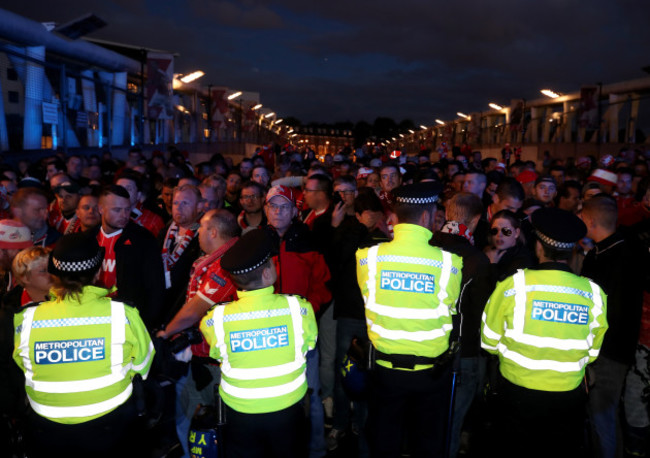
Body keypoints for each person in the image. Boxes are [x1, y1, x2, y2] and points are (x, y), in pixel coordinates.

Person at [13, 231, 154, 457]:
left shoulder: (26, 318)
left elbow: (23, 365)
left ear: (54, 274)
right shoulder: (122, 313)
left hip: (47, 431)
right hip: (109, 427)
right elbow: (143, 366)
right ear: (98, 271)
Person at [481, 207, 608, 458]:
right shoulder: (594, 294)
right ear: (571, 250)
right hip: (567, 399)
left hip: (517, 394)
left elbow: (488, 341)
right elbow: (592, 353)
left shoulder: (512, 286)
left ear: (539, 247)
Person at [356, 181, 463, 457]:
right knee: (427, 445)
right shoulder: (450, 263)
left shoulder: (368, 257)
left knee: (383, 443)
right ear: (427, 217)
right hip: (431, 375)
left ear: (394, 217)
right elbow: (450, 306)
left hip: (384, 372)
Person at [200, 228, 317, 458]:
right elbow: (309, 344)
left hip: (240, 414)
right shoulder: (299, 309)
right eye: (272, 264)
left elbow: (216, 353)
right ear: (266, 275)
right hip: (287, 411)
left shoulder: (215, 318)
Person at [157, 209, 240, 458]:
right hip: (202, 356)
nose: (197, 233)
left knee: (210, 426)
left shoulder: (226, 264)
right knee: (189, 419)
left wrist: (165, 334)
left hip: (218, 363)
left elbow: (194, 311)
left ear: (213, 232)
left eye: (201, 228)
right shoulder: (218, 258)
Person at [580, 195, 647, 458]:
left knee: (601, 417)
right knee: (604, 418)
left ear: (591, 220)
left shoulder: (612, 258)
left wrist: (596, 353)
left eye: (582, 218)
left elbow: (612, 312)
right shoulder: (619, 250)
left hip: (609, 352)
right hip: (616, 348)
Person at [431, 192, 494, 457]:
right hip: (464, 353)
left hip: (427, 347)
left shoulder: (428, 247)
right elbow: (483, 314)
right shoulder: (477, 260)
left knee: (427, 421)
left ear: (446, 214)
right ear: (477, 219)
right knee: (452, 424)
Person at [94, 185, 165, 330]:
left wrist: (147, 324)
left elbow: (155, 286)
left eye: (127, 209)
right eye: (117, 210)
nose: (124, 215)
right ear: (101, 209)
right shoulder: (88, 238)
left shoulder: (143, 239)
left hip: (129, 319)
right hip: (94, 315)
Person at [484, 210, 535, 281]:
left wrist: (492, 265)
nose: (499, 235)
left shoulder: (523, 260)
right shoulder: (487, 253)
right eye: (495, 230)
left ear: (517, 233)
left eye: (506, 231)